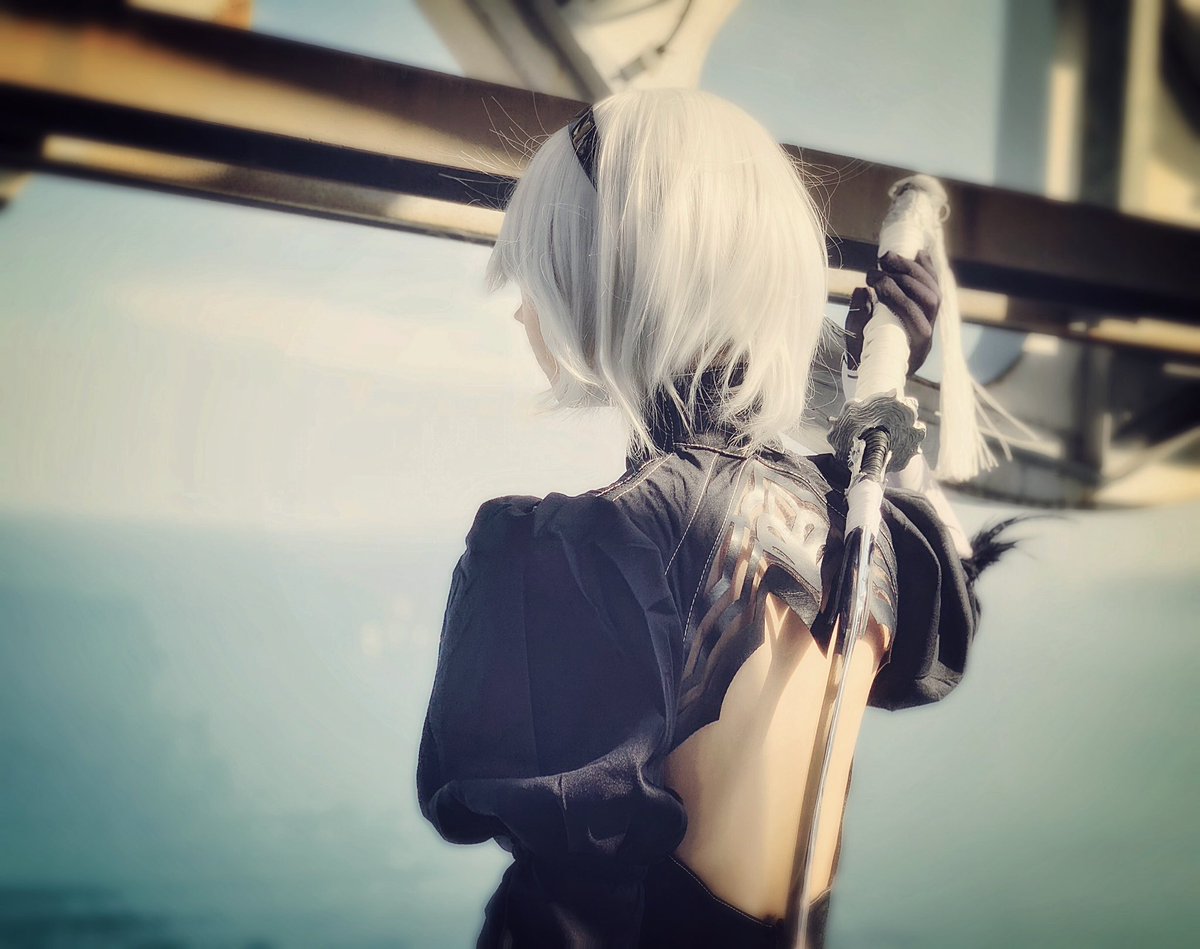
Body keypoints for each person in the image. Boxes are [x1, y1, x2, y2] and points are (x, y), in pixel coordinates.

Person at [416, 88, 1012, 948]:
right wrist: (879, 393)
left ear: (614, 272)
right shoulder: (862, 523)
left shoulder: (576, 551)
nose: (520, 307)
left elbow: (482, 815)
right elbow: (938, 631)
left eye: (540, 266)